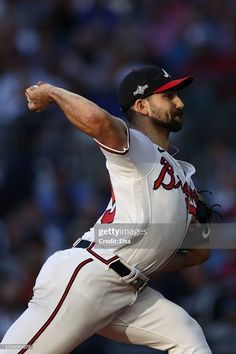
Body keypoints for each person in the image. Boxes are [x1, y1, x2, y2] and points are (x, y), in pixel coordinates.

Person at [1, 65, 212, 353]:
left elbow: (199, 254)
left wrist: (190, 235)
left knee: (188, 336)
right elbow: (97, 120)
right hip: (91, 277)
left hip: (129, 289)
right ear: (142, 106)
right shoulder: (137, 145)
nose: (180, 102)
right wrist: (51, 91)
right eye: (168, 95)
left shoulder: (183, 175)